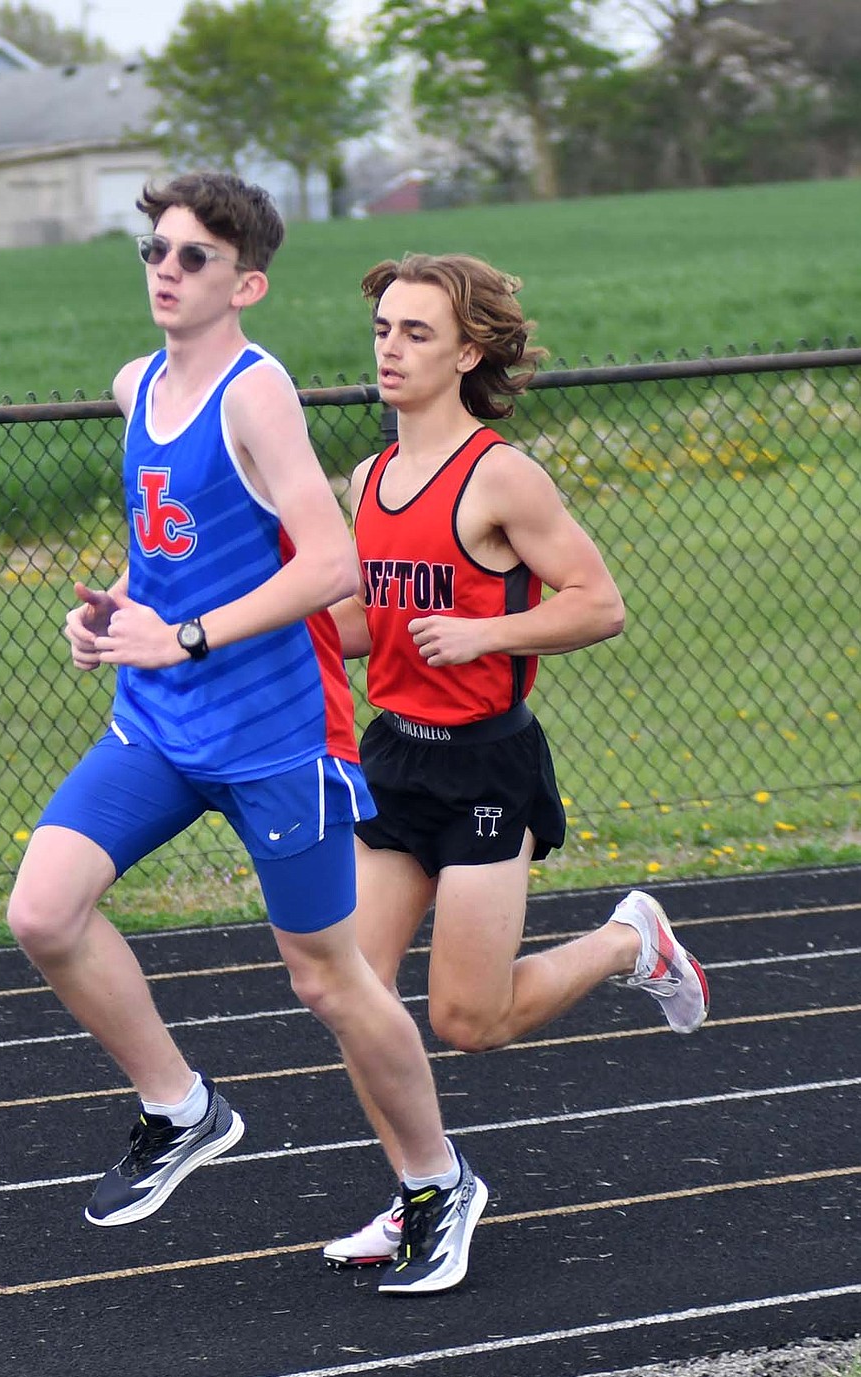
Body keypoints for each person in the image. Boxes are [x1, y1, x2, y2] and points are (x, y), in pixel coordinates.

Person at [6, 176, 486, 1296]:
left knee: (327, 982)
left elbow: (332, 565)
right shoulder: (136, 386)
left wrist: (184, 633)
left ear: (245, 282)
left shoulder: (253, 393)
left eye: (191, 258)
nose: (164, 271)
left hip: (276, 735)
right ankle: (182, 1109)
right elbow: (167, 549)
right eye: (154, 251)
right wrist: (118, 618)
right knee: (42, 909)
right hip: (160, 725)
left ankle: (434, 1182)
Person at [322, 252, 710, 1268]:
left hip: (485, 772)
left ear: (467, 351)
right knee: (351, 996)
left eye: (414, 333)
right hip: (394, 761)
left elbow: (597, 604)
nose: (391, 350)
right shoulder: (366, 478)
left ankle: (629, 944)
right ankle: (422, 1192)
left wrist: (488, 637)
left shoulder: (499, 475)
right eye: (382, 331)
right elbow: (369, 621)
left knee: (466, 1019)